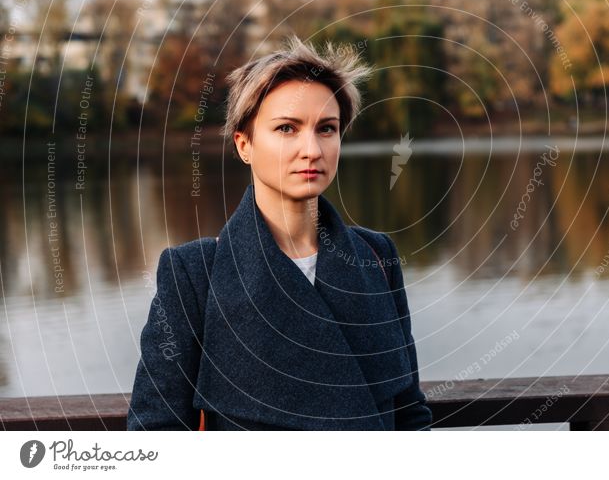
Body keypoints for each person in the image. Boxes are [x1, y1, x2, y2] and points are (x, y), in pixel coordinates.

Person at [127, 36, 432, 431]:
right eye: (287, 128)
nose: (312, 149)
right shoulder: (194, 274)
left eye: (327, 128)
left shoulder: (375, 257)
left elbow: (409, 414)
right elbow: (155, 434)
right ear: (244, 144)